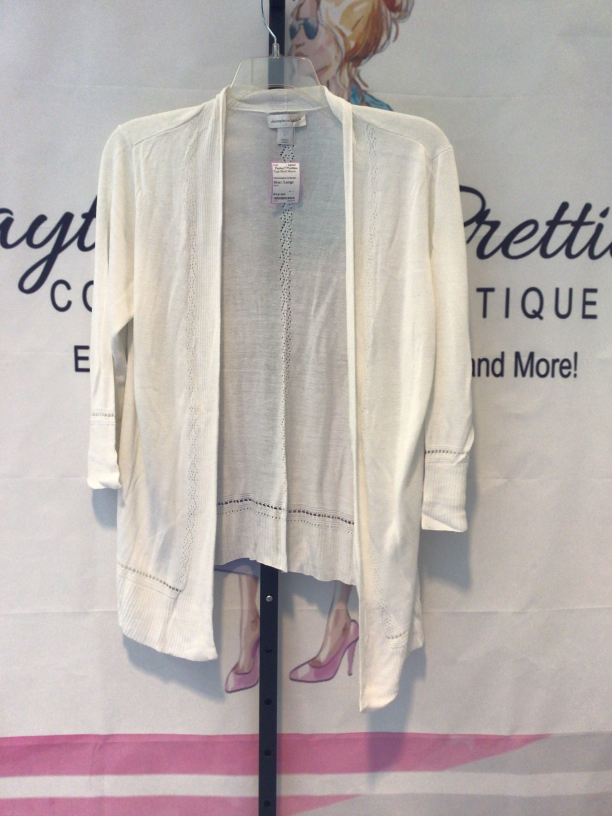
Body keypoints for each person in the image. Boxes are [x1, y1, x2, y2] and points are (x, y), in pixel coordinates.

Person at [220, 0, 416, 693]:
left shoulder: (380, 127)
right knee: (246, 448)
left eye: (310, 28)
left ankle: (340, 618)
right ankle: (250, 618)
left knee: (349, 458)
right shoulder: (272, 122)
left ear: (345, 34)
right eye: (290, 31)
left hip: (351, 315)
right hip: (274, 308)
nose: (299, 44)